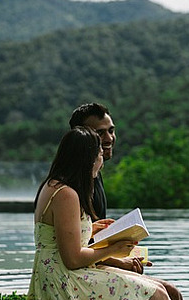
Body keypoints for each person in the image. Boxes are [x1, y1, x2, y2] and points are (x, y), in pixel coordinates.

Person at [28, 126, 171, 299]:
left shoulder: (54, 185)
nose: (102, 161)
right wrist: (113, 249)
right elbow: (72, 259)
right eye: (100, 155)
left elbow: (56, 235)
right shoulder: (66, 194)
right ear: (88, 159)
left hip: (59, 272)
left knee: (165, 291)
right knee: (158, 295)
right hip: (63, 278)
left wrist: (89, 228)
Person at [69, 103, 183, 300]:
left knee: (174, 292)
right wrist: (119, 261)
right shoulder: (72, 185)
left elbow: (88, 238)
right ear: (82, 137)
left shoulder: (95, 175)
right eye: (100, 133)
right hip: (83, 267)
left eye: (111, 131)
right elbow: (73, 251)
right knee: (162, 295)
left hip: (96, 260)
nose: (108, 138)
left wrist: (125, 252)